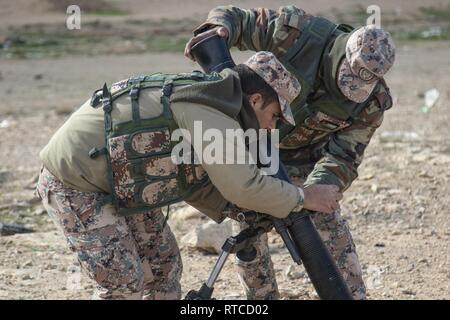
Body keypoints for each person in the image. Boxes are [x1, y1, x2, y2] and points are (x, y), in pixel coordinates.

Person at [35, 51, 342, 299]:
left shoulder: (217, 104)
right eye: (275, 116)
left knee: (163, 266)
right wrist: (305, 196)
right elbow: (243, 186)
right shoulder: (211, 111)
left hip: (123, 184)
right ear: (256, 100)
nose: (271, 128)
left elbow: (192, 177)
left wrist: (243, 209)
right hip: (75, 183)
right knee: (122, 283)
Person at [185, 5, 396, 300]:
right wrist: (220, 28)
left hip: (304, 160)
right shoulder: (299, 34)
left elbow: (344, 156)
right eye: (347, 76)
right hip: (249, 141)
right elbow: (237, 18)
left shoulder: (371, 102)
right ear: (341, 55)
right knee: (249, 229)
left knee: (326, 224)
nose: (350, 88)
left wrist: (311, 193)